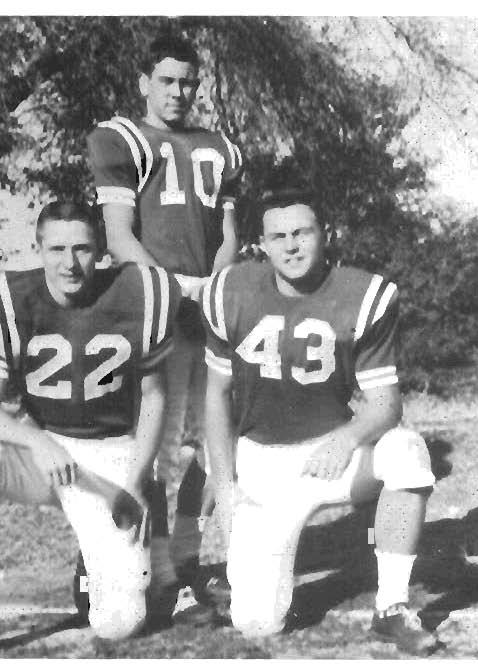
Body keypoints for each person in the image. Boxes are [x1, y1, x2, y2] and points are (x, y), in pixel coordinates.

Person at [202, 173, 439, 654]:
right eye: (278, 237)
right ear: (260, 244)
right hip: (262, 462)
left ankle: (391, 607)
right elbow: (216, 396)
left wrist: (348, 437)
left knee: (407, 452)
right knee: (257, 623)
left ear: (326, 233)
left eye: (302, 233)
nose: (291, 246)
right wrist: (224, 485)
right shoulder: (230, 291)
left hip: (331, 456)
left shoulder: (362, 294)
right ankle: (253, 575)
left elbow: (386, 404)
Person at [87, 33, 242, 603]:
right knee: (157, 444)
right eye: (167, 80)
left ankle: (186, 558)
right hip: (156, 303)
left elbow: (228, 236)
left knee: (212, 442)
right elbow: (119, 236)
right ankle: (158, 572)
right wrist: (171, 293)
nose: (179, 91)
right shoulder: (120, 138)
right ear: (144, 83)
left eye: (188, 81)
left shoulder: (219, 147)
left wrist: (214, 289)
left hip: (209, 302)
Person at [0, 200, 182, 640]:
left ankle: (97, 557)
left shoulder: (138, 293)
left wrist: (136, 479)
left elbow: (155, 396)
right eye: (57, 249)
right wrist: (37, 440)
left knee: (118, 624)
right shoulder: (12, 298)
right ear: (38, 249)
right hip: (38, 448)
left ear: (100, 249)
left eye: (81, 249)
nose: (69, 263)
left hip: (107, 453)